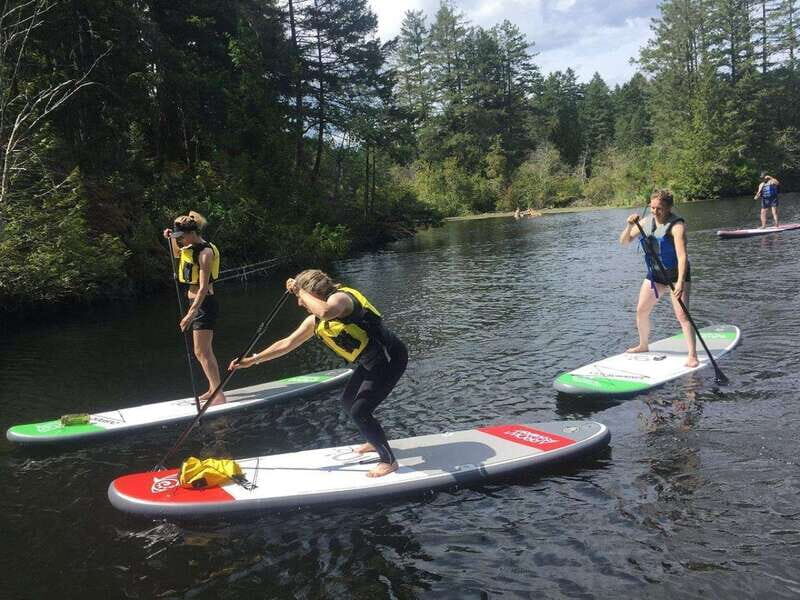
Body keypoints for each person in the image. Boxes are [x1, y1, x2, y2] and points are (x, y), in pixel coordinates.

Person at [229, 269, 408, 478]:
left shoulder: (341, 299)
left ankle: (388, 460)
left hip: (389, 359)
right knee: (348, 401)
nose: (299, 303)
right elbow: (287, 343)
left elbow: (326, 312)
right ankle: (372, 440)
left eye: (301, 297)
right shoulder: (314, 322)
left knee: (360, 411)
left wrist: (299, 290)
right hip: (369, 363)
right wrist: (252, 360)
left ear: (312, 292)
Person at [619, 190, 698, 368]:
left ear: (669, 207)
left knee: (682, 316)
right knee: (641, 310)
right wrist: (629, 225)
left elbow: (682, 256)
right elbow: (624, 242)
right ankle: (643, 345)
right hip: (655, 275)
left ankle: (692, 355)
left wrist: (679, 283)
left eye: (659, 208)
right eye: (652, 207)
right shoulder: (645, 222)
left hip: (676, 275)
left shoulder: (677, 226)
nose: (655, 211)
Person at [163, 211, 225, 405]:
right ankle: (213, 389)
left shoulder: (205, 253)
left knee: (203, 351)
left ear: (191, 233)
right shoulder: (188, 247)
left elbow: (204, 287)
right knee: (201, 351)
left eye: (180, 237)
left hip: (204, 304)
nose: (179, 241)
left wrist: (191, 313)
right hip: (196, 304)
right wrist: (170, 239)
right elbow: (174, 253)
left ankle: (218, 394)